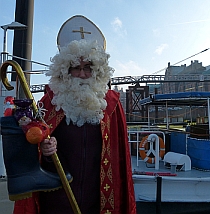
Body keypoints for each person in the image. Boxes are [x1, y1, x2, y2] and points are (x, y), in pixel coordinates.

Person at [13, 16, 136, 214]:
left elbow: (120, 161)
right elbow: (32, 154)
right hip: (57, 201)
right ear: (65, 71)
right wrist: (44, 150)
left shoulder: (111, 104)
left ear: (96, 70)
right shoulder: (49, 103)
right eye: (75, 68)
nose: (81, 74)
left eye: (87, 68)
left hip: (99, 201)